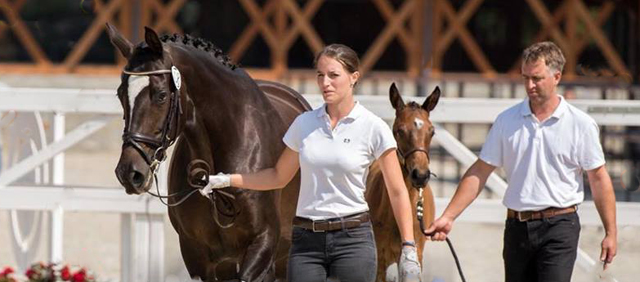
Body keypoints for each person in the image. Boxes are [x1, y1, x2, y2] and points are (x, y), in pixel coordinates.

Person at [202, 44, 422, 282]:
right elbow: (277, 176)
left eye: (333, 75)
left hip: (354, 241)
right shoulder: (304, 124)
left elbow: (398, 192)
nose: (325, 82)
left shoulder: (373, 127)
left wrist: (408, 247)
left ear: (353, 78)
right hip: (307, 242)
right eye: (320, 75)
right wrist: (226, 179)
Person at [426, 41, 617, 282]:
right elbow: (480, 171)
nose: (529, 85)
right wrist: (449, 216)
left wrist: (611, 231)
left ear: (556, 76)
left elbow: (599, 178)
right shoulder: (507, 120)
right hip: (517, 227)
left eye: (536, 78)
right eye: (525, 78)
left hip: (560, 226)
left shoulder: (580, 124)